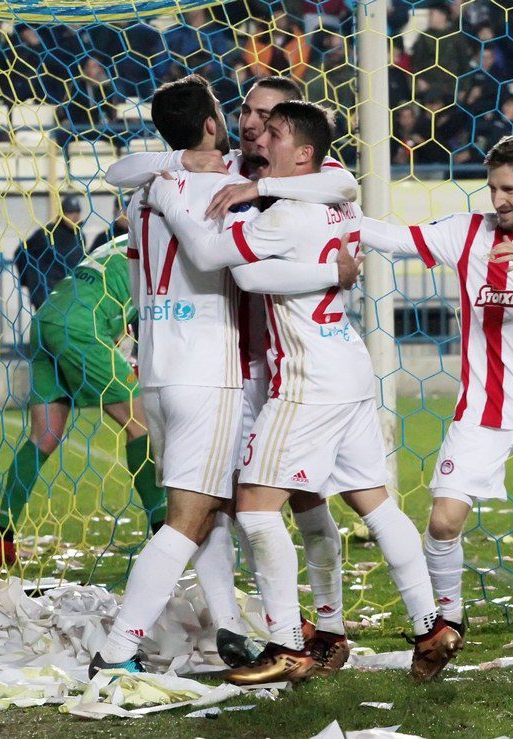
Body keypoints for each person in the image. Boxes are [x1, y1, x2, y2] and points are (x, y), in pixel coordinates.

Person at [155, 100, 462, 686]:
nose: (260, 135)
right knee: (375, 502)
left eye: (273, 130)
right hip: (347, 364)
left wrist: (172, 196)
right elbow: (324, 205)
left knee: (253, 506)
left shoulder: (286, 213)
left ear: (301, 154)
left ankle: (287, 645)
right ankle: (432, 625)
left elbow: (220, 260)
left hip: (307, 379)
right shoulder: (337, 203)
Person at [88, 76, 359, 679]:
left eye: (268, 117)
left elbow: (120, 174)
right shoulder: (223, 188)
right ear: (213, 124)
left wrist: (175, 165)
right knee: (193, 514)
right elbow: (221, 252)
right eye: (238, 111)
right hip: (210, 371)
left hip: (157, 369)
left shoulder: (151, 186)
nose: (252, 124)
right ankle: (117, 651)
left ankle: (231, 624)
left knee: (213, 505)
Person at [359, 134, 513, 672]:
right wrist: (328, 215)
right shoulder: (469, 232)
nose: (498, 200)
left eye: (509, 189)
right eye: (492, 188)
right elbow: (394, 239)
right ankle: (449, 622)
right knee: (443, 523)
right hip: (481, 413)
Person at [0, 234, 166, 567]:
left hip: (47, 319)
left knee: (45, 435)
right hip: (82, 327)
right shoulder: (160, 247)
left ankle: (1, 540)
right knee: (140, 424)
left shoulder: (119, 243)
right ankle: (164, 534)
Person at [14, 196, 85, 310]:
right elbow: (21, 252)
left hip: (70, 296)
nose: (75, 216)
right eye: (70, 213)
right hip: (47, 297)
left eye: (77, 212)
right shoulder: (47, 233)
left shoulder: (80, 236)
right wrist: (30, 281)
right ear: (62, 214)